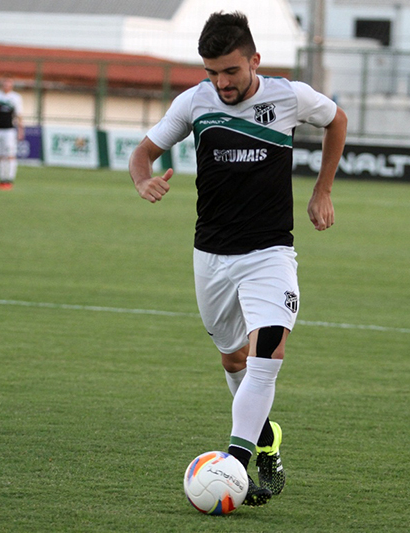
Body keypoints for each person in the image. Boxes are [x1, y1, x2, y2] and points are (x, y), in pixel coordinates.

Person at [128, 11, 347, 507]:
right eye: (212, 72)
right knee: (233, 358)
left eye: (231, 71)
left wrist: (322, 190)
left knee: (266, 354)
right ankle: (265, 435)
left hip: (271, 252)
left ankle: (237, 466)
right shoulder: (194, 102)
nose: (221, 82)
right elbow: (142, 153)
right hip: (212, 256)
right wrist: (143, 179)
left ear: (254, 61)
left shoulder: (289, 96)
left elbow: (337, 119)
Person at [0, 78, 24, 190]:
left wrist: (21, 130)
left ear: (11, 86)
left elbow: (19, 115)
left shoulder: (16, 97)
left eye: (8, 84)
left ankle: (10, 180)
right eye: (4, 84)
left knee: (10, 155)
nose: (6, 86)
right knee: (0, 156)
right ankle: (2, 180)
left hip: (10, 131)